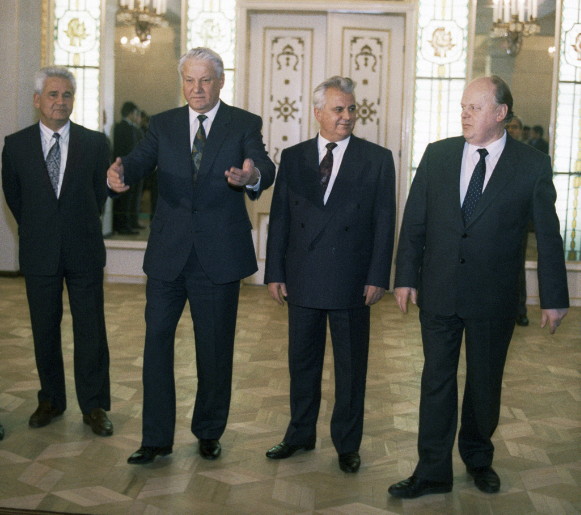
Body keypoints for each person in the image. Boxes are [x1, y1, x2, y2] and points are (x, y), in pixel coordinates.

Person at [388, 76, 569, 499]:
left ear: (500, 113)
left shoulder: (531, 165)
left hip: (494, 297)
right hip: (440, 289)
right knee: (436, 381)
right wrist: (405, 277)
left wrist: (554, 297)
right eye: (463, 107)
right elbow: (414, 220)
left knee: (485, 383)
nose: (464, 115)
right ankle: (431, 470)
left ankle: (478, 458)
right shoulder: (438, 155)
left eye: (474, 107)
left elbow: (548, 236)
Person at [107, 47, 275, 465]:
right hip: (168, 255)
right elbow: (139, 161)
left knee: (214, 350)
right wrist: (121, 172)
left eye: (204, 80)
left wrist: (252, 176)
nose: (196, 89)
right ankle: (156, 439)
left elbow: (265, 167)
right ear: (182, 82)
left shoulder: (242, 123)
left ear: (219, 82)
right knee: (157, 346)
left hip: (218, 257)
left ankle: (208, 431)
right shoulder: (162, 124)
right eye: (189, 80)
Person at [264, 76, 396, 473]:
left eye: (352, 108)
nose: (347, 116)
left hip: (353, 280)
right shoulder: (293, 156)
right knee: (302, 363)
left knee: (351, 368)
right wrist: (274, 272)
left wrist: (378, 276)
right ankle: (300, 434)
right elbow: (281, 221)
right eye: (339, 109)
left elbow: (385, 221)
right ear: (317, 111)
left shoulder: (377, 158)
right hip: (302, 277)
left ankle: (347, 443)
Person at [1, 66, 113, 437]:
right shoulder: (14, 146)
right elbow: (16, 199)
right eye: (52, 94)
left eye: (66, 95)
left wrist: (71, 225)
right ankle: (51, 399)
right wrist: (42, 228)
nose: (60, 102)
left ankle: (95, 405)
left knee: (91, 330)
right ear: (37, 100)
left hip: (83, 250)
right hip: (39, 252)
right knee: (44, 328)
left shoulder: (96, 143)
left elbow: (99, 197)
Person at [505, 115, 530, 326]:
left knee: (517, 267)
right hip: (498, 223)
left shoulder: (529, 158)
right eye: (509, 127)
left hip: (519, 223)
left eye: (515, 127)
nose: (512, 130)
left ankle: (520, 309)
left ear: (521, 131)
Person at [113, 101, 144, 234]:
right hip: (125, 168)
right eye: (136, 113)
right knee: (125, 198)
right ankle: (123, 225)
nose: (137, 116)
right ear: (130, 113)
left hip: (134, 168)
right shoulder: (121, 128)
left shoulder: (134, 128)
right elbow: (123, 149)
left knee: (134, 197)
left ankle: (132, 221)